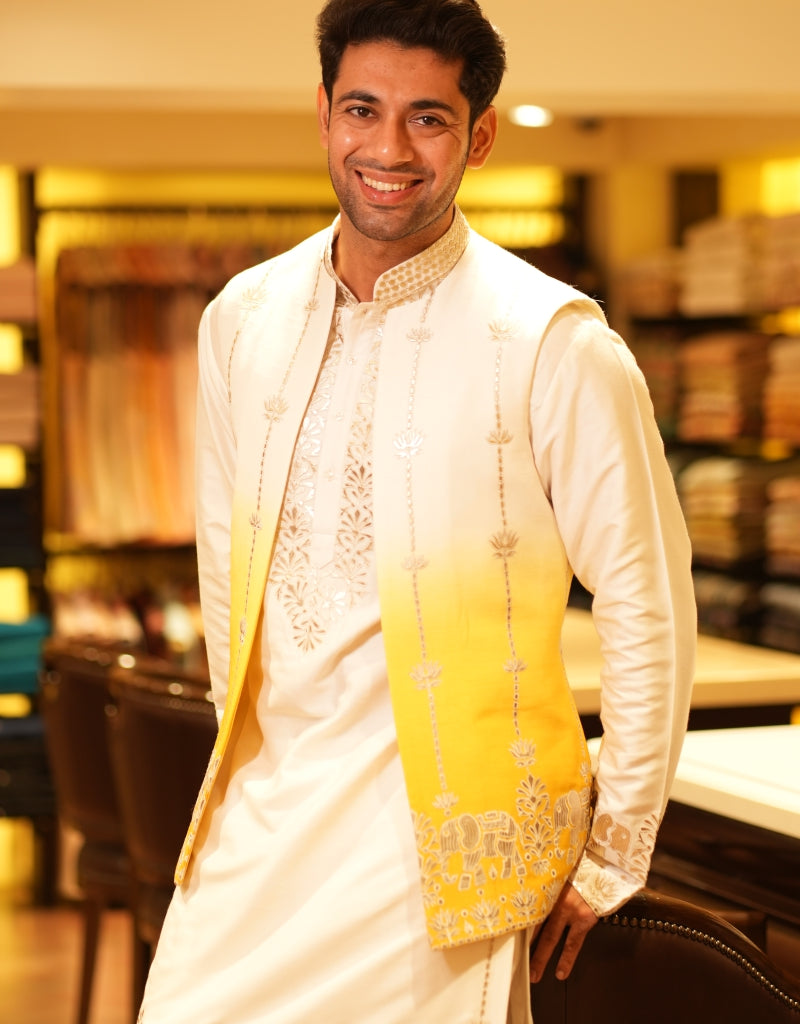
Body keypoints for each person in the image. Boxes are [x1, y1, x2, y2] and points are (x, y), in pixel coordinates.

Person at [138, 1, 696, 1021]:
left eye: (427, 119)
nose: (388, 148)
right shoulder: (243, 321)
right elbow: (226, 569)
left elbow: (644, 598)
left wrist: (613, 852)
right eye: (363, 108)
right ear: (322, 114)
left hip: (442, 845)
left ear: (478, 134)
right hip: (261, 823)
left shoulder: (552, 342)